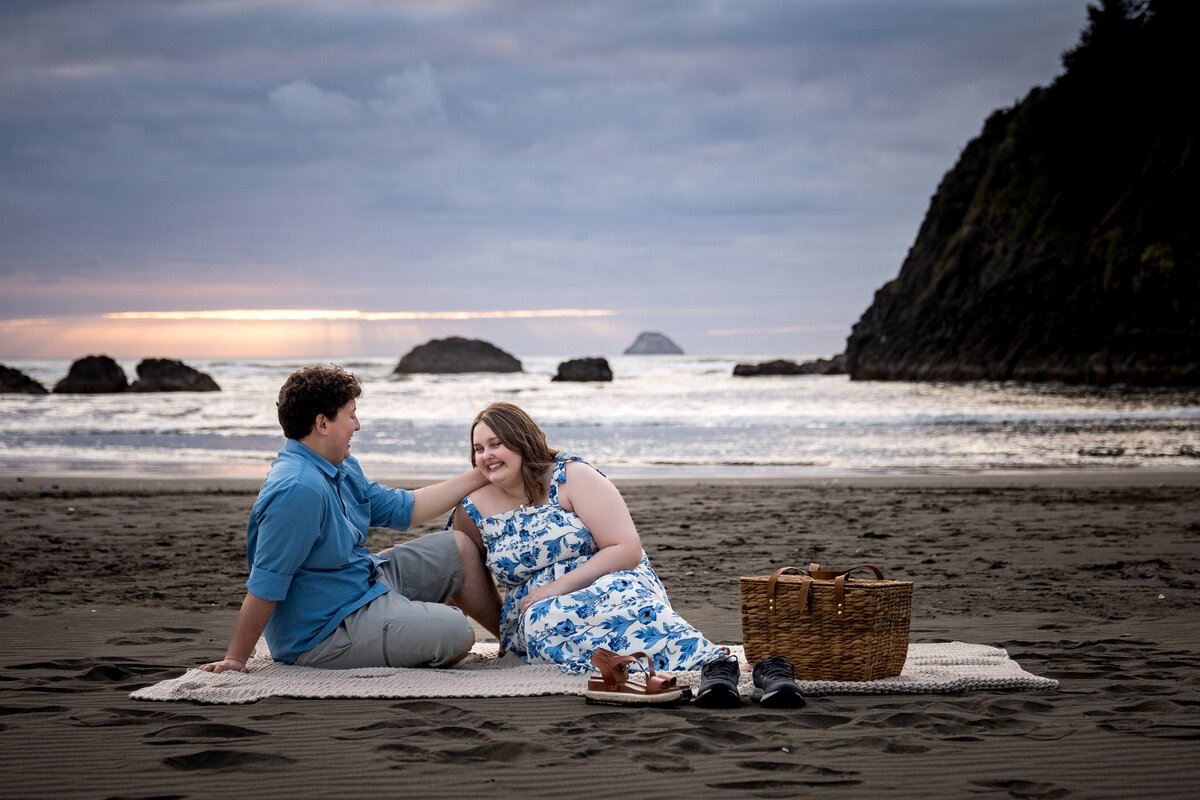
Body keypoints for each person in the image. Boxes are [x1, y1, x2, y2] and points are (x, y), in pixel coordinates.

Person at [200, 365, 500, 674]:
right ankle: (420, 623)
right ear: (323, 423)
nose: (357, 425)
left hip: (363, 583)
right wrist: (236, 659)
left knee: (459, 548)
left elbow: (404, 508)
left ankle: (513, 641)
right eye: (351, 414)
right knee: (458, 633)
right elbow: (266, 583)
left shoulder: (340, 466)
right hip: (326, 630)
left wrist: (483, 472)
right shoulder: (298, 490)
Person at [450, 401, 731, 684]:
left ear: (521, 442)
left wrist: (556, 587)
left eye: (495, 444)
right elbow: (456, 573)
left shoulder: (570, 476)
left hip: (612, 578)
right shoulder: (472, 508)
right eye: (478, 449)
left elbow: (626, 549)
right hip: (538, 614)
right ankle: (640, 667)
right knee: (543, 618)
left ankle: (711, 662)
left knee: (618, 593)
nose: (487, 455)